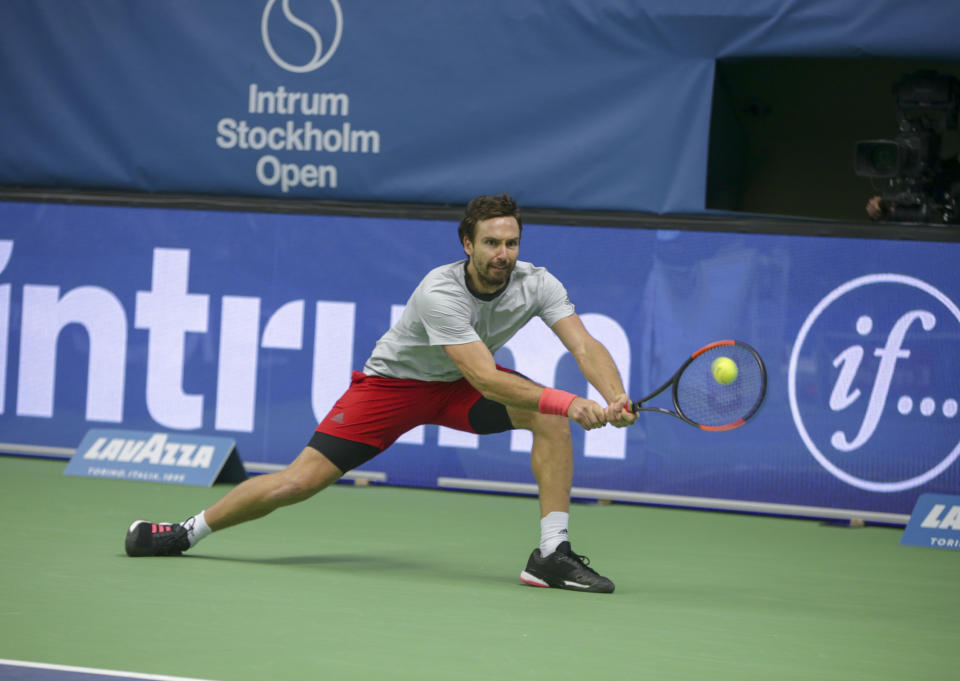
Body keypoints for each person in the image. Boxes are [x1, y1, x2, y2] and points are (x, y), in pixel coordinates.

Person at [125, 193, 636, 593]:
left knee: (543, 418)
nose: (503, 254)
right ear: (467, 244)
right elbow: (484, 375)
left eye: (511, 243)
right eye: (491, 243)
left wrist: (614, 396)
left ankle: (551, 554)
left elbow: (585, 344)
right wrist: (570, 402)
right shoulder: (439, 292)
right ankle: (185, 532)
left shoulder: (538, 283)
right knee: (299, 482)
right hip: (394, 388)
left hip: (455, 389)